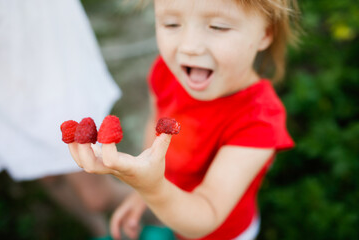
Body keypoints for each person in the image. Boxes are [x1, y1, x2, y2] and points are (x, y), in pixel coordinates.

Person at [68, 0, 300, 239]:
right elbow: (154, 123)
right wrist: (143, 193)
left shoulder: (259, 121)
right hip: (170, 209)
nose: (189, 47)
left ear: (266, 33)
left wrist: (152, 189)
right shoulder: (165, 73)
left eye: (218, 27)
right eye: (171, 23)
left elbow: (207, 214)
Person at [0, 0, 131, 239]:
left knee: (96, 196)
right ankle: (105, 232)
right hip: (5, 68)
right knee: (44, 171)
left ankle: (171, 214)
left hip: (37, 36)